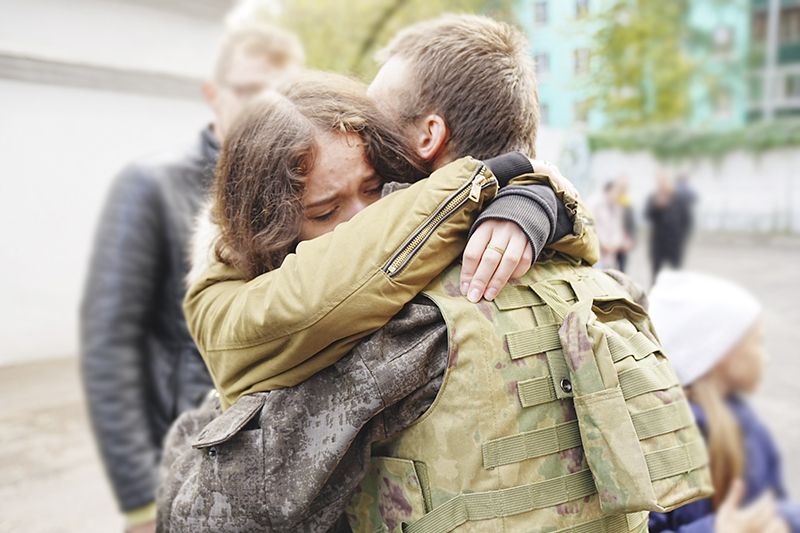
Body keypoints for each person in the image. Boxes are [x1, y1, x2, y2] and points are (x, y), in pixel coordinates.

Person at [165, 15, 707, 532]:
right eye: (326, 211)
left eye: (377, 121)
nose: (364, 217)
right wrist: (539, 197)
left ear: (427, 136)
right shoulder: (605, 288)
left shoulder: (404, 327)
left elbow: (218, 509)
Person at [79, 24, 303, 533]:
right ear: (213, 93)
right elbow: (109, 343)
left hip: (272, 457)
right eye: (248, 91)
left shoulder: (296, 183)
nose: (263, 109)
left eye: (280, 96)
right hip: (187, 457)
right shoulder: (150, 187)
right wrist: (140, 499)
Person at [648, 271, 800, 533]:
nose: (766, 358)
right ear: (719, 354)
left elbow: (774, 506)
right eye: (757, 342)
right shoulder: (664, 442)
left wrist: (786, 520)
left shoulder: (749, 427)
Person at [645, 172, 694, 282]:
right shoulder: (653, 198)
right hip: (658, 243)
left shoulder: (679, 199)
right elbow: (647, 215)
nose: (662, 185)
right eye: (660, 182)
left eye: (664, 182)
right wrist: (657, 207)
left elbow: (686, 220)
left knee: (676, 273)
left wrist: (682, 238)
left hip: (675, 243)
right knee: (656, 274)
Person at [591, 179, 626, 269]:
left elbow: (618, 230)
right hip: (598, 251)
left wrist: (614, 245)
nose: (617, 195)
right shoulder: (596, 205)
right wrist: (603, 244)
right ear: (608, 191)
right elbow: (593, 226)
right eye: (615, 192)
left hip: (611, 254)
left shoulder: (617, 208)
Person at [617, 175, 637, 272]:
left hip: (623, 241)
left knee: (622, 268)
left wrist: (631, 240)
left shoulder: (628, 202)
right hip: (611, 241)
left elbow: (632, 224)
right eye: (621, 185)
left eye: (624, 186)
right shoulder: (613, 199)